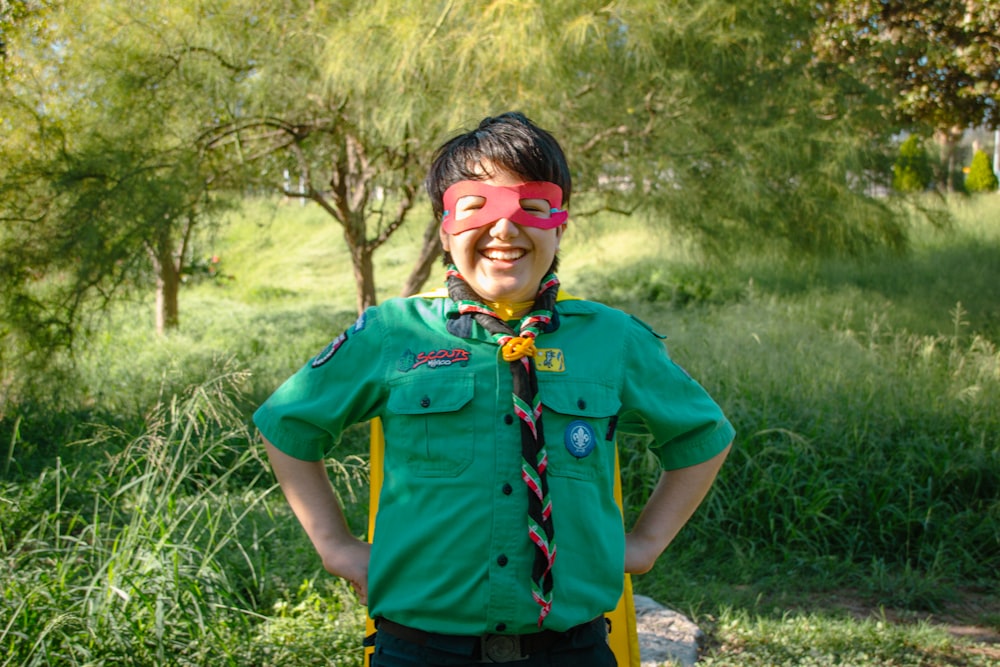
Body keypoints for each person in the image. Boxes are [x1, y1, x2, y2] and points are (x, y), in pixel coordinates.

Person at [253, 111, 734, 667]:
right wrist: (336, 548)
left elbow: (701, 434)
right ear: (445, 229)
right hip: (419, 650)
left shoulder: (613, 339)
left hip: (570, 650)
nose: (504, 230)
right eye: (477, 207)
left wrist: (645, 546)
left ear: (560, 224)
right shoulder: (394, 334)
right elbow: (288, 425)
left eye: (530, 207)